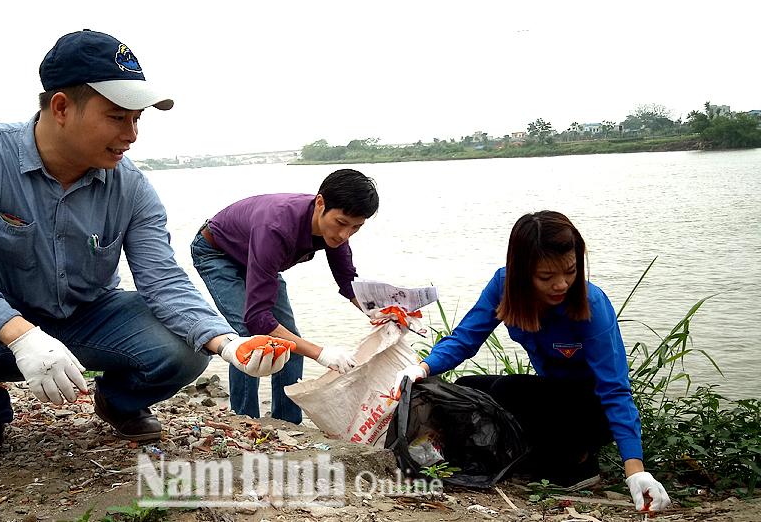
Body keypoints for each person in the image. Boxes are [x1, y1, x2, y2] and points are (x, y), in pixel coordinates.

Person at [0, 29, 291, 474]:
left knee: (188, 347)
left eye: (137, 119)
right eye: (117, 117)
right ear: (62, 107)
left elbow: (162, 279)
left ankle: (118, 401)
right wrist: (21, 334)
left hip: (90, 315)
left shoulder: (132, 187)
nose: (132, 135)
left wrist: (228, 343)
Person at [392, 211, 670, 512]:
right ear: (522, 271)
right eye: (546, 277)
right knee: (468, 387)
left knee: (510, 392)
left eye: (570, 271)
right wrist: (422, 367)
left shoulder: (591, 305)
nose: (561, 285)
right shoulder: (504, 286)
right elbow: (466, 337)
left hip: (592, 409)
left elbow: (615, 390)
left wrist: (635, 470)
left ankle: (579, 461)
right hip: (551, 395)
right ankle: (547, 454)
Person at [190, 169, 379, 424]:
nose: (345, 235)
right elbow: (258, 318)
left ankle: (287, 422)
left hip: (261, 260)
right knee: (249, 339)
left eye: (356, 227)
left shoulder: (333, 231)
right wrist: (321, 353)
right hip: (218, 252)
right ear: (320, 203)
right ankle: (244, 420)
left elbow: (348, 282)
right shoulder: (277, 227)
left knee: (291, 340)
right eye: (342, 223)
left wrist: (380, 313)